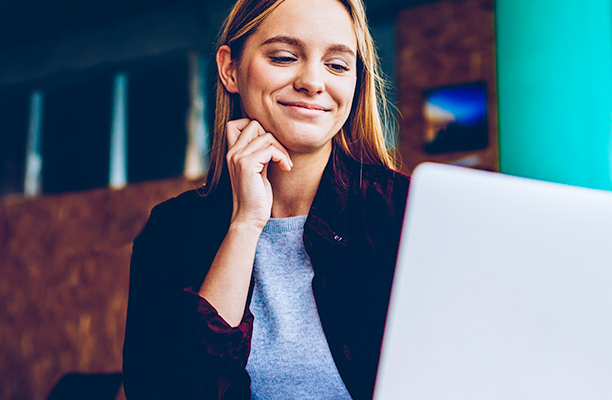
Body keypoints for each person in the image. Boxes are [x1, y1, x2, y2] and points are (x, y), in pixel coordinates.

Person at [122, 0, 408, 398]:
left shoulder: (404, 213)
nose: (313, 81)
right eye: (284, 57)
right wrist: (245, 224)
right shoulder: (173, 231)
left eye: (338, 65)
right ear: (230, 69)